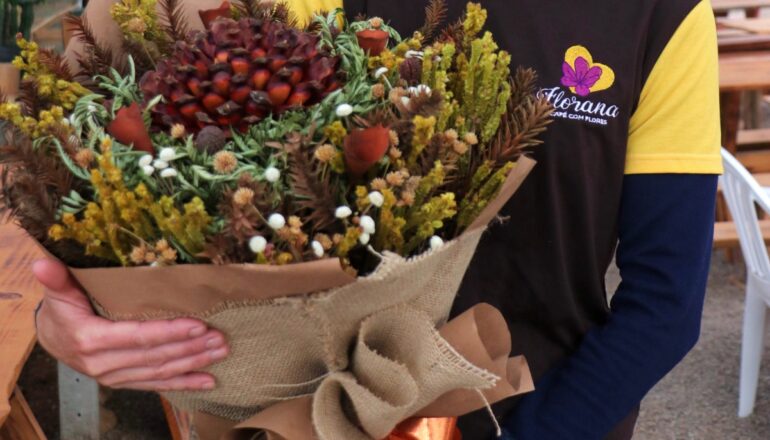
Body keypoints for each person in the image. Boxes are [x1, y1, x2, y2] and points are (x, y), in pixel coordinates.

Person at [35, 0, 721, 438]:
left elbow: (664, 301)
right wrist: (66, 311)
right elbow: (100, 167)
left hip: (543, 413)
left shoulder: (657, 14)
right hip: (286, 420)